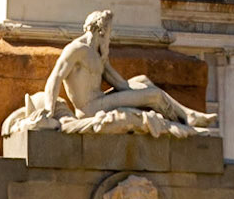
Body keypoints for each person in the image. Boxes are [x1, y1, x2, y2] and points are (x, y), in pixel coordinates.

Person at [37, 9, 216, 129]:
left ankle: (183, 114)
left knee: (143, 80)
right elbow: (55, 78)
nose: (110, 36)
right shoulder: (77, 50)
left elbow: (121, 85)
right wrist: (48, 110)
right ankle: (186, 119)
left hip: (101, 101)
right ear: (101, 31)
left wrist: (140, 91)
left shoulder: (99, 55)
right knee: (154, 95)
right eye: (109, 32)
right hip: (89, 108)